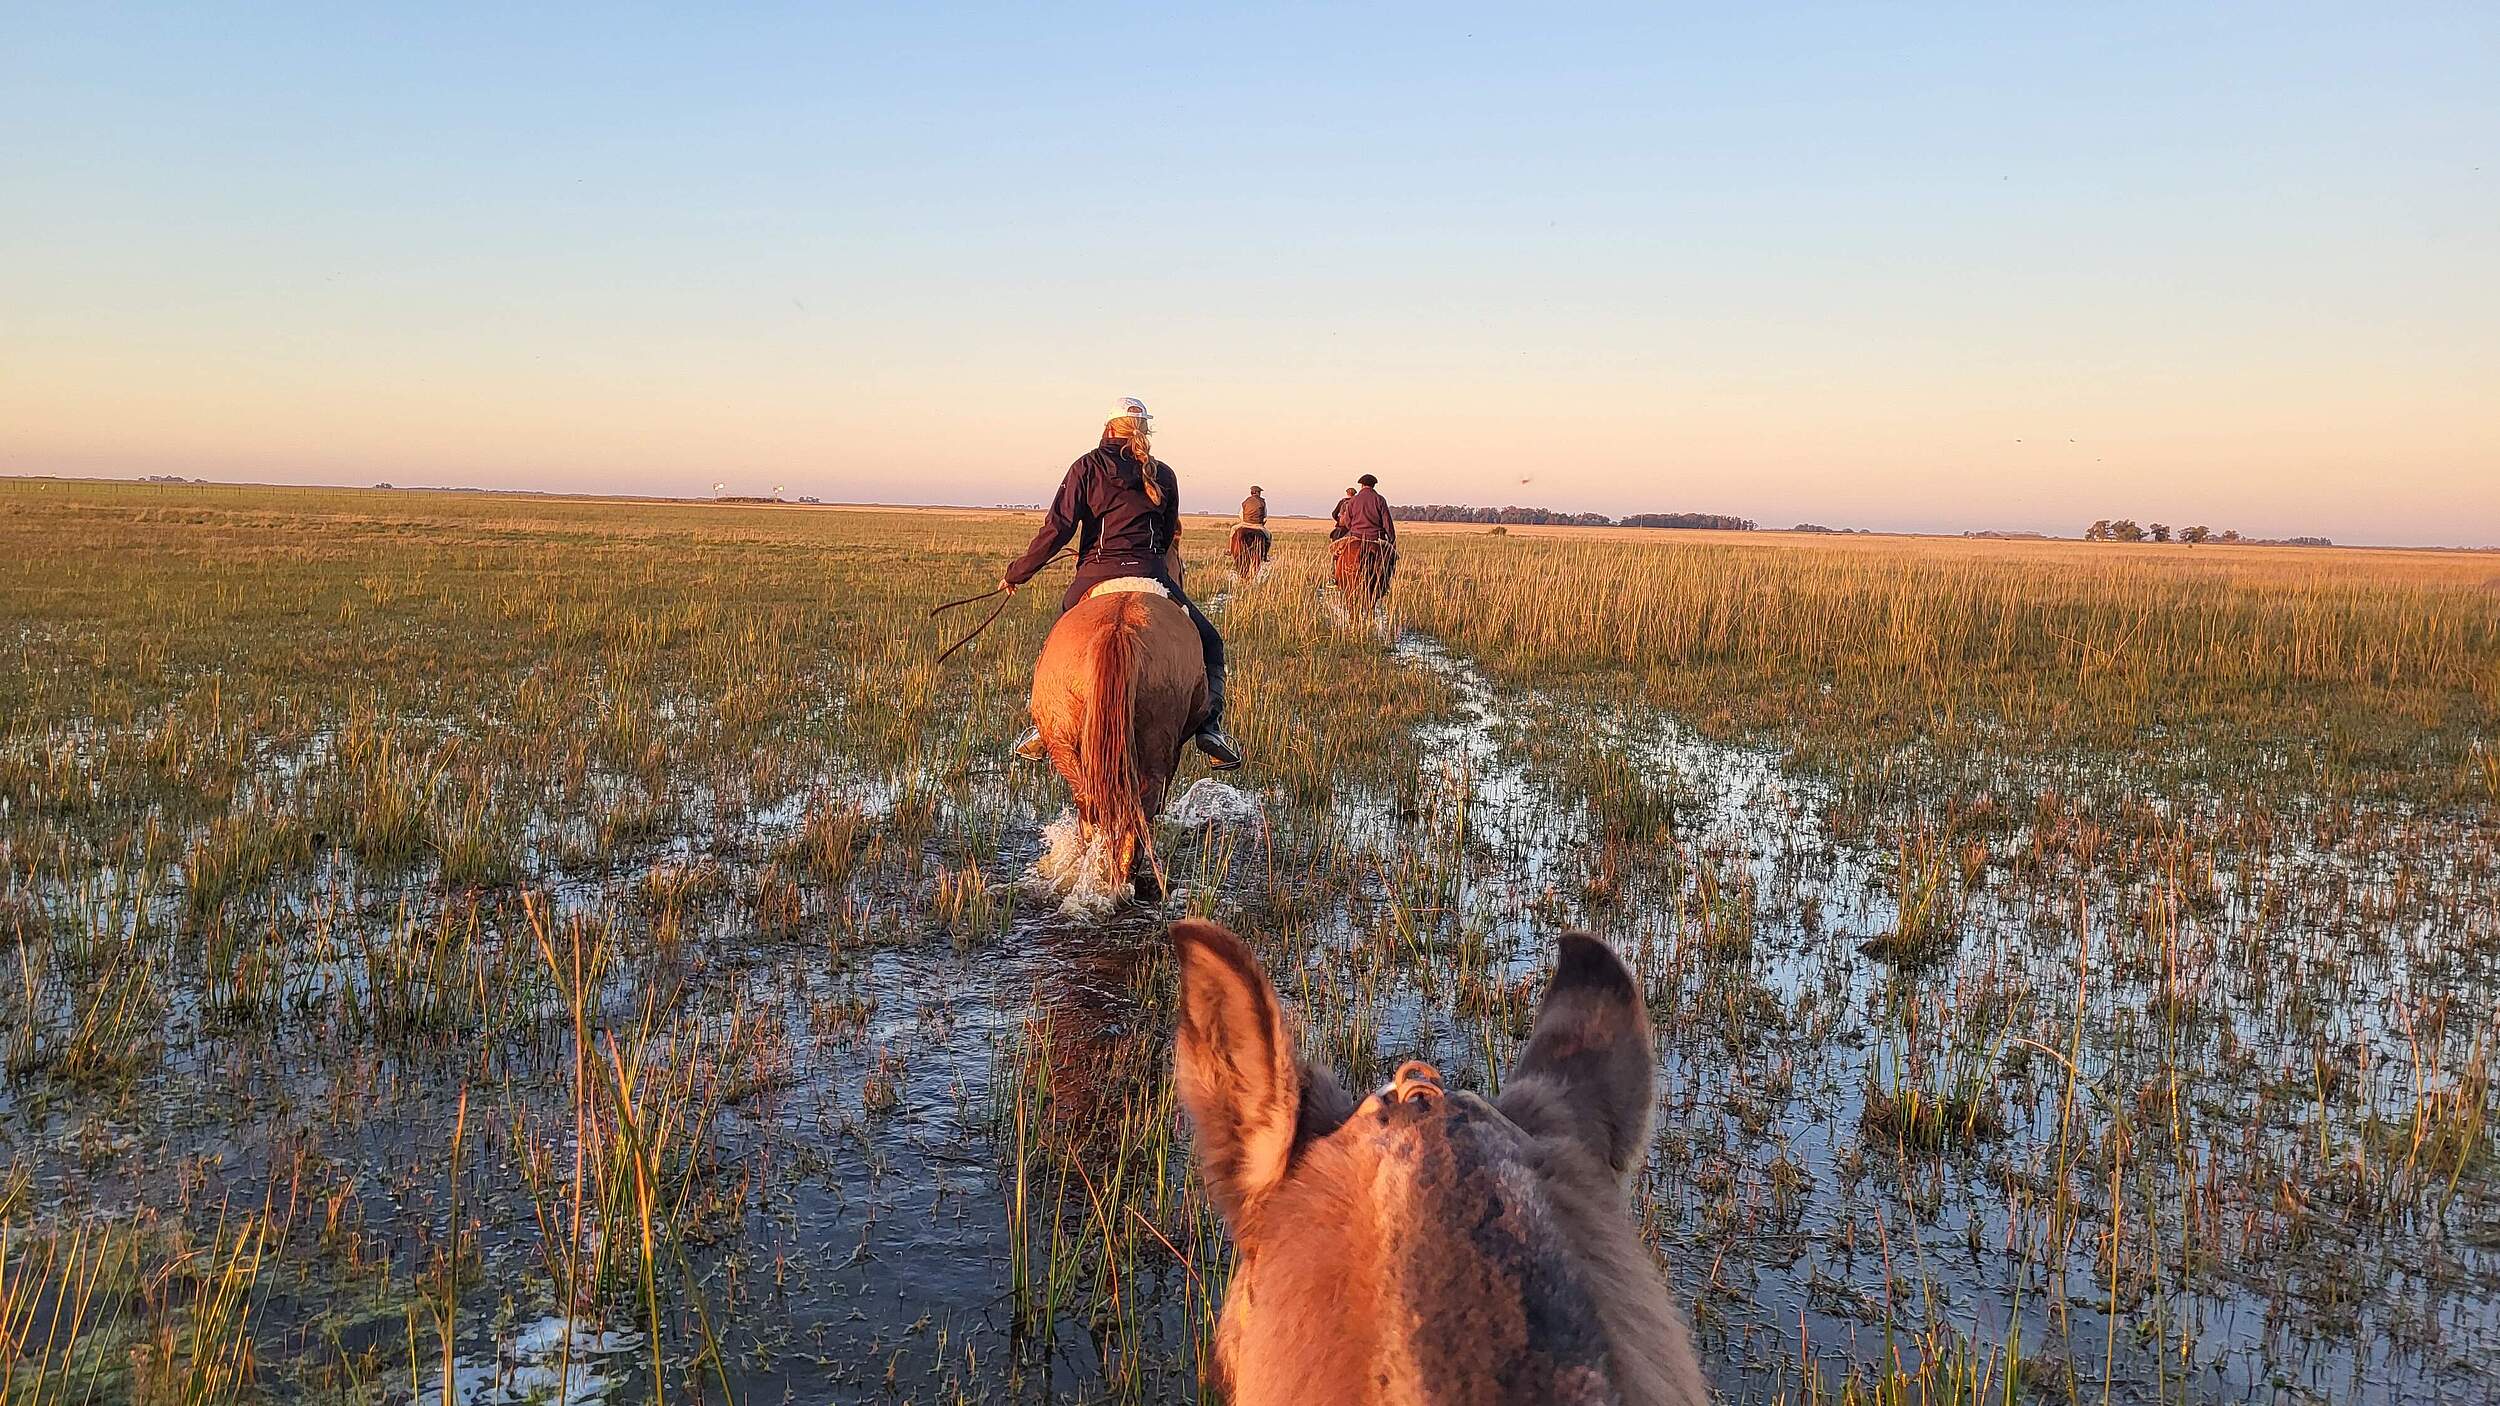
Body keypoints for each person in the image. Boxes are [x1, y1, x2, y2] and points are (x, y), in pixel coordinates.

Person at [1002, 398, 1241, 769]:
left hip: (1096, 573)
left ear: (1108, 428)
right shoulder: (1162, 474)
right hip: (1151, 572)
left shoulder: (1087, 466)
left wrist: (1018, 572)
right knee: (1210, 641)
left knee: (1058, 638)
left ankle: (1041, 727)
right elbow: (1164, 538)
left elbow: (1058, 529)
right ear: (1144, 431)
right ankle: (1211, 729)